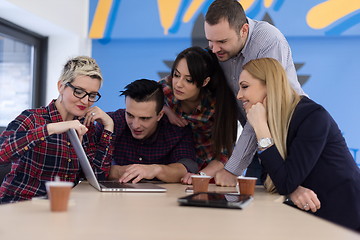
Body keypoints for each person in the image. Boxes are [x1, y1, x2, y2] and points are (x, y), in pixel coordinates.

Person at [239, 57, 360, 231]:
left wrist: (260, 128)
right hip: (311, 208)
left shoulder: (313, 116)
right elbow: (273, 175)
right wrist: (293, 189)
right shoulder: (272, 118)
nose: (239, 95)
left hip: (343, 211)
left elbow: (285, 180)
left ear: (269, 85)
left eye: (245, 86)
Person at [204, 0, 306, 186]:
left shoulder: (268, 41)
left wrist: (231, 170)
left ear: (243, 30)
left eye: (222, 41)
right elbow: (187, 72)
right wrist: (166, 105)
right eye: (210, 41)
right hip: (255, 144)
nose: (215, 49)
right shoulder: (217, 49)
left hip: (287, 139)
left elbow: (260, 111)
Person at [0, 56, 114, 204]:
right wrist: (52, 128)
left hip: (59, 209)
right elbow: (2, 154)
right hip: (18, 206)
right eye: (79, 91)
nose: (85, 101)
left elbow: (97, 177)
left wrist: (108, 127)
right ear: (61, 86)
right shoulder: (32, 118)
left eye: (92, 95)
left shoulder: (86, 127)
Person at [159, 46, 238, 184]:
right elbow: (141, 106)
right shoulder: (164, 91)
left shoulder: (217, 106)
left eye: (188, 80)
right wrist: (165, 110)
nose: (178, 84)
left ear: (204, 82)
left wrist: (201, 175)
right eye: (176, 75)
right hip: (173, 170)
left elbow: (224, 156)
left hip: (208, 172)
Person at [105, 79, 198, 184]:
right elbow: (89, 165)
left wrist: (155, 170)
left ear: (160, 115)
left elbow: (188, 167)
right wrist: (120, 171)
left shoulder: (176, 131)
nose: (135, 125)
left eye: (144, 118)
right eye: (130, 115)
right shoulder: (110, 122)